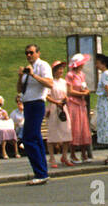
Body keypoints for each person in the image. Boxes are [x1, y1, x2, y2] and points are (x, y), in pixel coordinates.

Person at [19, 43, 54, 185]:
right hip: (28, 103)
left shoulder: (42, 66)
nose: (29, 55)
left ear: (38, 53)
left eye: (31, 52)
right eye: (26, 53)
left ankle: (39, 172)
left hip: (37, 103)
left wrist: (33, 75)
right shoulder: (27, 70)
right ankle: (42, 172)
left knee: (28, 139)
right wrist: (21, 76)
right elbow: (20, 89)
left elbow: (50, 83)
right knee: (36, 139)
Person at [44, 61, 73, 168]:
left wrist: (65, 98)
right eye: (58, 69)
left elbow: (66, 93)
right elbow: (46, 96)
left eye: (62, 69)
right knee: (52, 133)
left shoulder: (63, 82)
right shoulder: (50, 82)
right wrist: (56, 102)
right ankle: (51, 157)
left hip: (63, 107)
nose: (61, 71)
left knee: (67, 131)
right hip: (53, 107)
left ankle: (64, 156)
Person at [66, 54, 93, 161]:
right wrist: (81, 94)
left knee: (83, 128)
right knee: (75, 128)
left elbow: (84, 87)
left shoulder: (82, 74)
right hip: (73, 104)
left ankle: (84, 153)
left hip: (82, 104)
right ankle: (72, 153)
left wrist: (86, 92)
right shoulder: (70, 75)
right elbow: (69, 91)